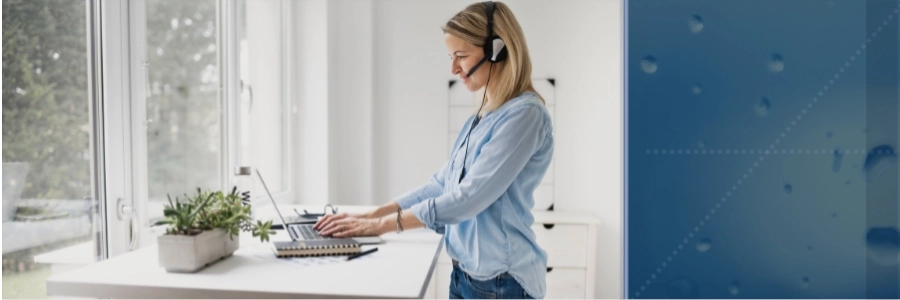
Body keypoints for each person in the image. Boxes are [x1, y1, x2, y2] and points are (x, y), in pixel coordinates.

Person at [314, 1, 552, 298]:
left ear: (497, 49)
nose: (454, 68)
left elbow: (469, 198)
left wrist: (383, 225)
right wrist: (372, 215)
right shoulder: (481, 117)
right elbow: (441, 185)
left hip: (501, 281)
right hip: (465, 274)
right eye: (451, 57)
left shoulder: (525, 115)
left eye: (461, 56)